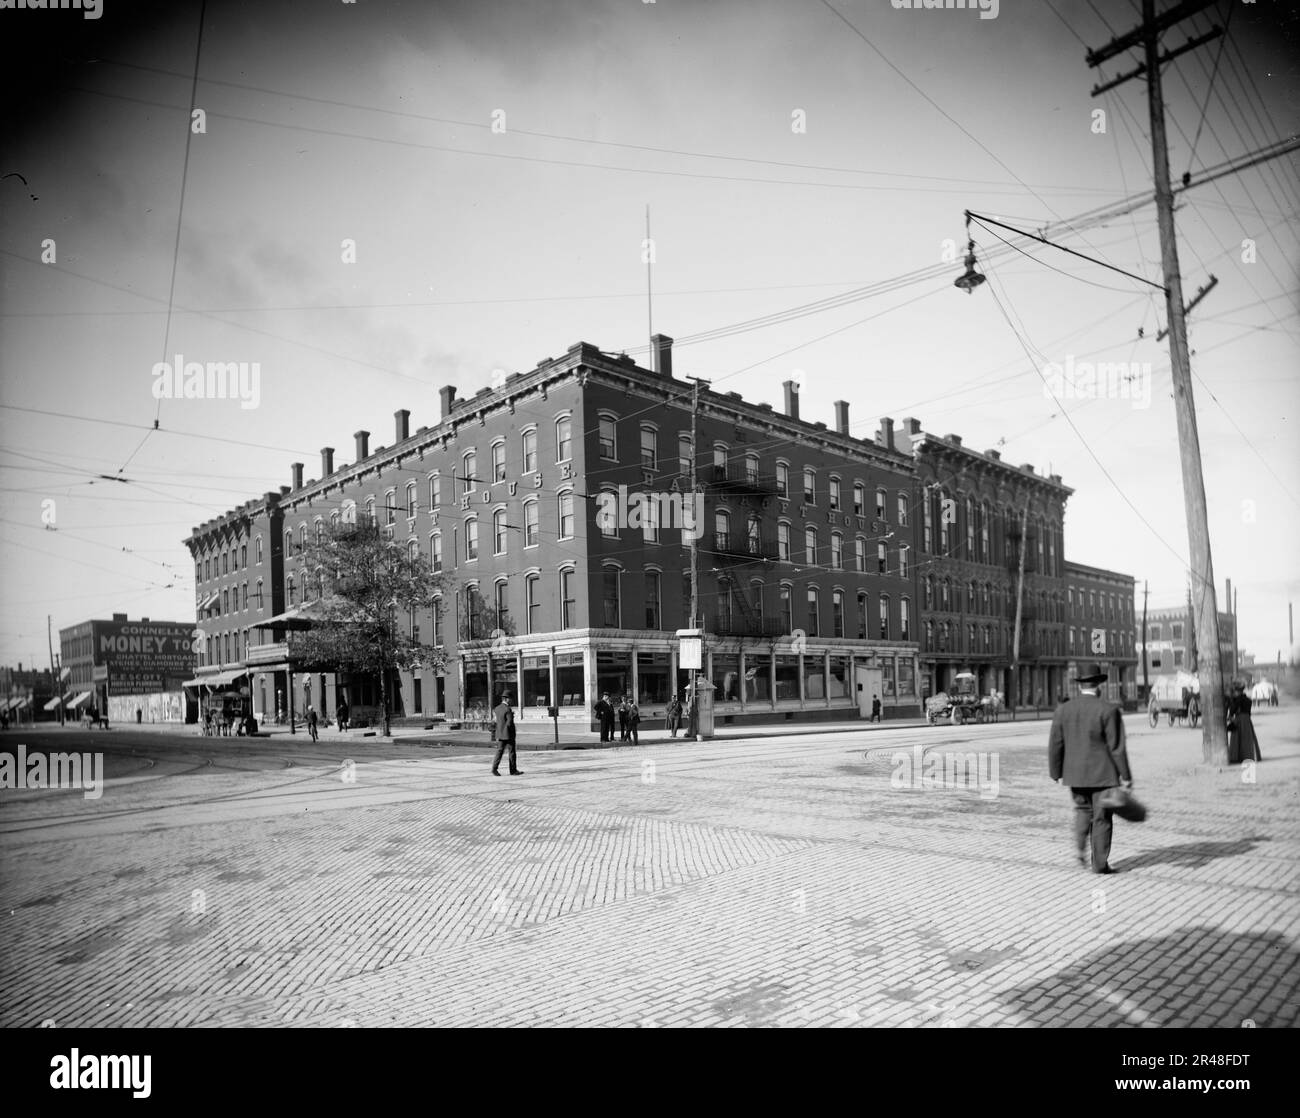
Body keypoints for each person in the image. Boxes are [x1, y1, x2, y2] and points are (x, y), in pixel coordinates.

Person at [1048, 663, 1133, 875]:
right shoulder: (1109, 710)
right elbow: (1116, 747)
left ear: (1080, 686)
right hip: (1103, 775)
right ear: (1099, 686)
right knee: (1102, 817)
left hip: (1074, 774)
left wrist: (1055, 772)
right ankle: (1100, 864)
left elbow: (1055, 743)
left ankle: (1079, 848)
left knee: (1082, 811)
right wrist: (1126, 776)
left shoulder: (1063, 710)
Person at [1226, 681, 1261, 763]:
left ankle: (1237, 757)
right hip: (1247, 720)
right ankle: (1249, 756)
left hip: (1239, 719)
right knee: (1248, 738)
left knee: (1237, 739)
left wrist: (1230, 714)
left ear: (1237, 691)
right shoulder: (1248, 700)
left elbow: (1232, 711)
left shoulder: (1237, 700)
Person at [492, 692, 521, 776]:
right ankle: (513, 770)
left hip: (500, 734)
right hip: (508, 734)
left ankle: (494, 769)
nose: (511, 701)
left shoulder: (496, 708)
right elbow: (509, 723)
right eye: (510, 699)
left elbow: (495, 721)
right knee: (512, 752)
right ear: (507, 699)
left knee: (499, 752)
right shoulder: (508, 709)